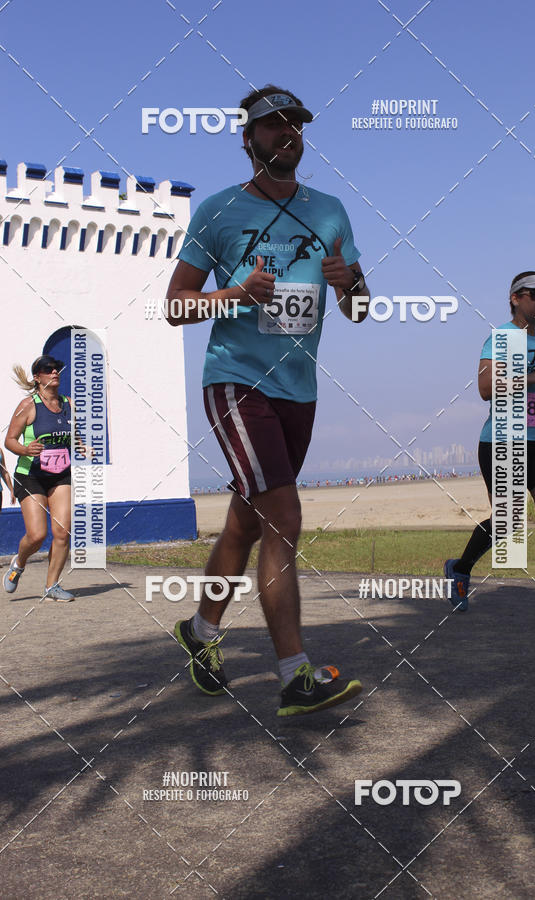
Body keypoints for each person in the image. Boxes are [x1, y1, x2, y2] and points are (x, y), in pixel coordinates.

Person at [166, 85, 370, 715]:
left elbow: (359, 308)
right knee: (284, 516)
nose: (289, 134)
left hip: (298, 391)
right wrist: (233, 296)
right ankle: (295, 676)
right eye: (274, 126)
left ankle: (199, 634)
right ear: (248, 138)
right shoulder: (218, 212)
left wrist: (350, 284)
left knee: (246, 521)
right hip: (235, 384)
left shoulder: (330, 210)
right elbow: (176, 306)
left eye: (296, 126)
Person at [445, 272, 535, 621]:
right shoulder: (502, 337)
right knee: (509, 522)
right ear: (515, 298)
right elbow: (485, 387)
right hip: (503, 441)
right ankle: (460, 568)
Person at [3, 355, 74, 601]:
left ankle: (51, 586)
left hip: (60, 474)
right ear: (37, 377)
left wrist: (81, 445)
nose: (54, 372)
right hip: (30, 475)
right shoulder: (28, 405)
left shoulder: (68, 403)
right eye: (48, 369)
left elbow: (70, 435)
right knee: (36, 535)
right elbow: (9, 440)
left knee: (63, 532)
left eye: (56, 368)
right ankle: (19, 563)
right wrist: (25, 450)